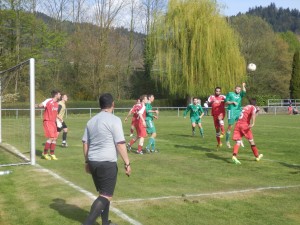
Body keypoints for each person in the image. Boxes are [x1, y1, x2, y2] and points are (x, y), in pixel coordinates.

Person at [82, 93, 131, 225]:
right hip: (106, 163)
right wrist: (127, 163)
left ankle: (105, 223)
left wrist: (87, 161)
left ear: (100, 105)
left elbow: (85, 142)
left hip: (93, 162)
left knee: (103, 192)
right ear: (113, 104)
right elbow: (120, 143)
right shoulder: (114, 120)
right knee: (106, 195)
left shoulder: (91, 121)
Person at [231, 99, 263, 164]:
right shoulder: (253, 107)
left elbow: (249, 115)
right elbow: (253, 115)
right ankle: (257, 156)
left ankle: (234, 156)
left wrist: (257, 111)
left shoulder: (245, 107)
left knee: (238, 141)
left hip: (238, 124)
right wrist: (253, 123)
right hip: (244, 125)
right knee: (251, 141)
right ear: (255, 104)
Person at [36, 90, 61, 160]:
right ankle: (44, 153)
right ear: (56, 95)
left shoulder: (57, 103)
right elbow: (41, 105)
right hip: (47, 121)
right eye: (59, 94)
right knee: (51, 138)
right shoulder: (49, 100)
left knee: (55, 138)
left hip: (53, 122)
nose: (60, 96)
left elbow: (55, 113)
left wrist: (59, 119)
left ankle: (52, 154)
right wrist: (37, 105)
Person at [225, 83, 246, 148]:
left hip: (238, 111)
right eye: (237, 89)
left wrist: (243, 86)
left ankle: (239, 139)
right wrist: (232, 102)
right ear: (235, 89)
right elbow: (226, 102)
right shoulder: (230, 93)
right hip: (231, 111)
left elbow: (244, 91)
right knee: (230, 127)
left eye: (240, 89)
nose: (238, 90)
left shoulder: (240, 95)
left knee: (239, 125)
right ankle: (227, 141)